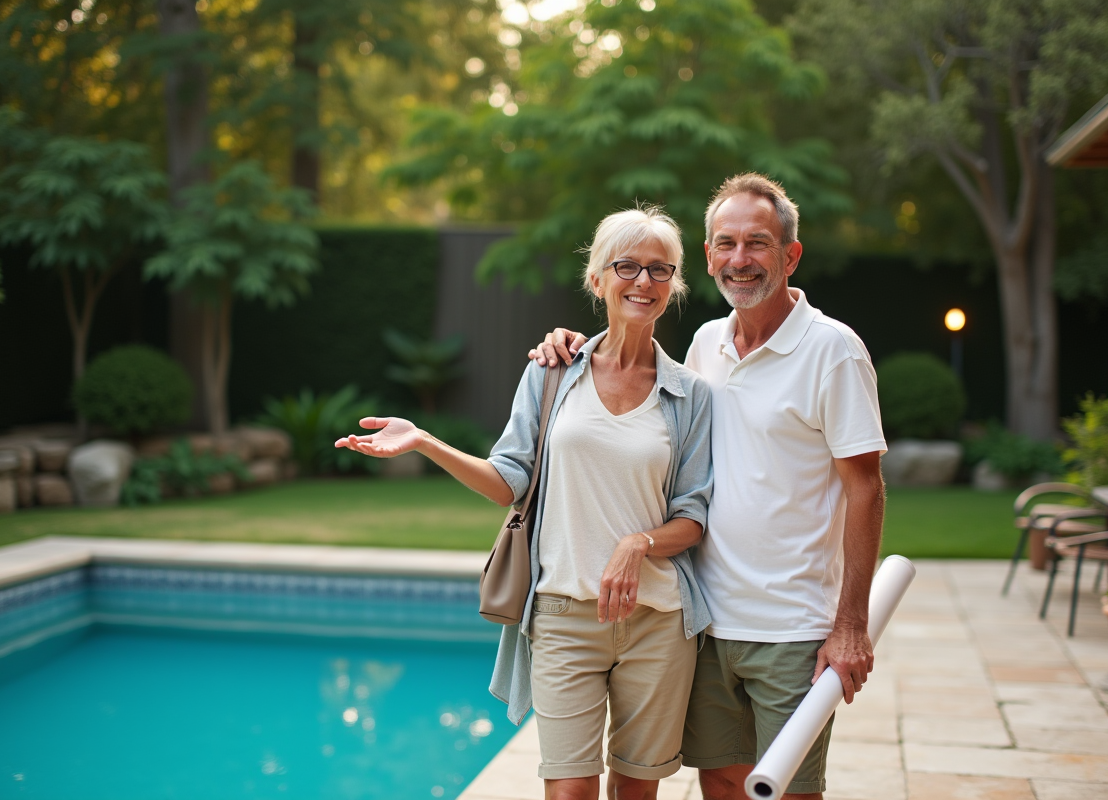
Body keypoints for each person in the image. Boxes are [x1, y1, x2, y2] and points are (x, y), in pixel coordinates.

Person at [337, 207, 714, 800]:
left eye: (660, 270)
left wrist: (637, 543)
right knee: (567, 791)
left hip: (657, 621)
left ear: (674, 285)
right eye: (628, 266)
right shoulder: (552, 373)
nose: (644, 281)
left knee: (637, 792)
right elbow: (509, 481)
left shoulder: (691, 395)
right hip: (564, 617)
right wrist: (425, 441)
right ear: (598, 280)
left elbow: (693, 517)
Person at [531, 174, 887, 800]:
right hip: (705, 621)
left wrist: (850, 625)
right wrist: (568, 346)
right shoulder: (704, 345)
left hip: (794, 627)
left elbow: (867, 489)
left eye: (758, 243)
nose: (740, 259)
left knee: (789, 791)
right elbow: (641, 408)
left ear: (790, 255)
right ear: (708, 255)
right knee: (720, 784)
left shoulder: (834, 351)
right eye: (726, 243)